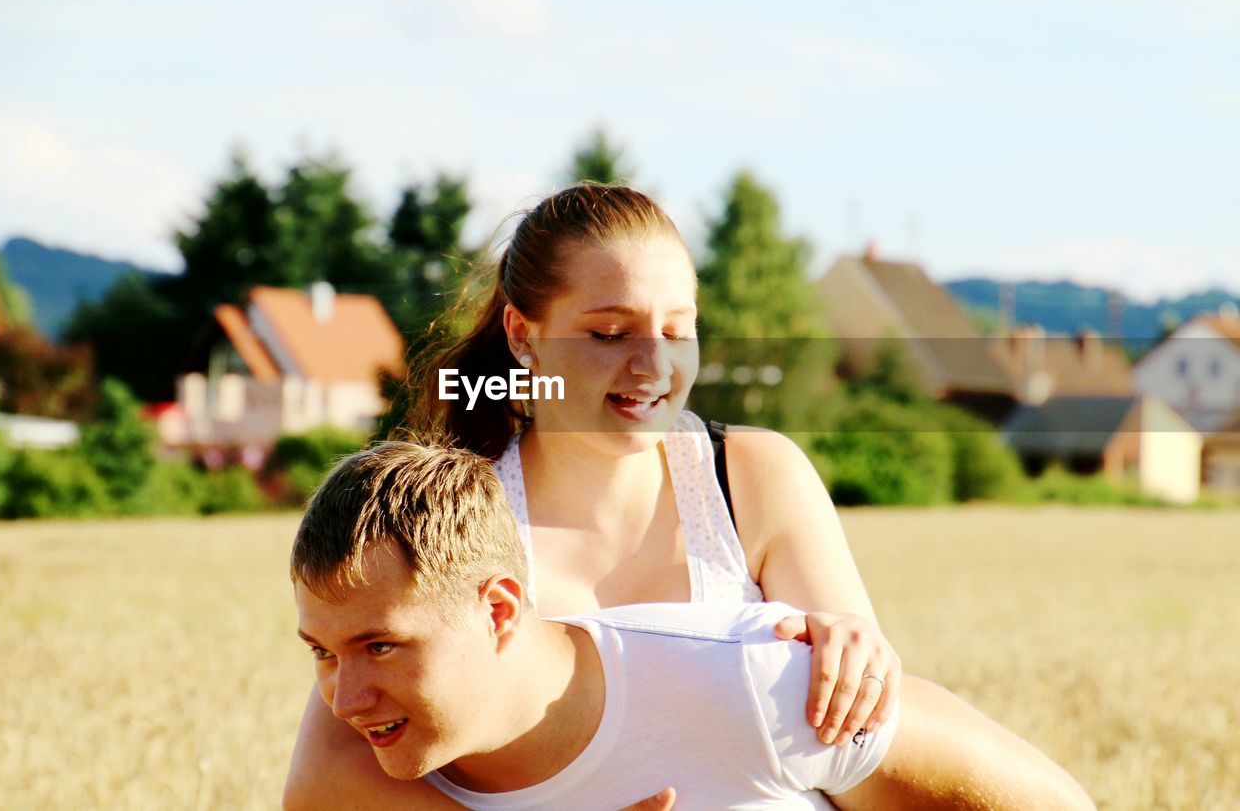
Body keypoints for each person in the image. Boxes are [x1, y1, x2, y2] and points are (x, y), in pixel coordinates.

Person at [285, 184, 1093, 809]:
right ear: (524, 334)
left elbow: (859, 737)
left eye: (678, 329)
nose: (653, 365)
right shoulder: (452, 515)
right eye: (609, 333)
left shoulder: (756, 477)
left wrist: (855, 654)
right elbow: (332, 772)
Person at [293, 440, 902, 809]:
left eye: (380, 646)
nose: (345, 701)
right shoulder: (364, 769)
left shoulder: (766, 677)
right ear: (523, 336)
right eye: (321, 652)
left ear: (500, 611)